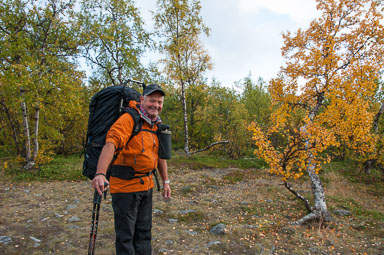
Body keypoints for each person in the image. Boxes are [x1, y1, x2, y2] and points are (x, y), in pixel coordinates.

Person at [91, 84, 171, 255]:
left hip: (147, 186)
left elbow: (160, 156)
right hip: (125, 188)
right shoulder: (129, 119)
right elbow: (111, 143)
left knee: (143, 234)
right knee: (126, 237)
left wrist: (165, 181)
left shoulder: (156, 124)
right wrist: (100, 173)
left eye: (159, 102)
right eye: (152, 101)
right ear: (142, 100)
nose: (155, 105)